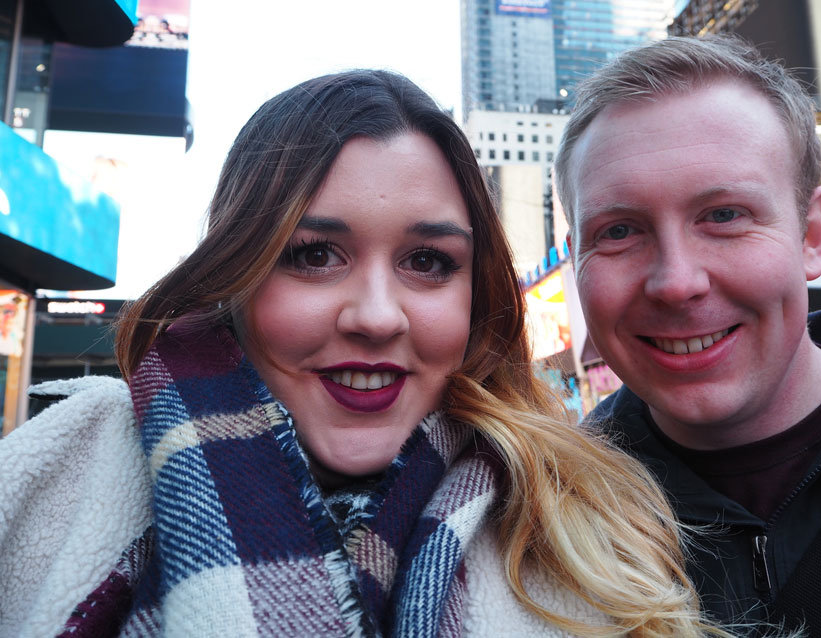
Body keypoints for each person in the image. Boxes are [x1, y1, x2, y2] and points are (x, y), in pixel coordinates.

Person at [1, 70, 729, 638]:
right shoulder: (68, 460)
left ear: (477, 298)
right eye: (315, 255)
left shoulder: (600, 518)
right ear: (237, 275)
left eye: (427, 261)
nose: (377, 317)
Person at [555, 35, 821, 636]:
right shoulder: (538, 532)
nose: (676, 283)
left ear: (813, 235)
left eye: (724, 215)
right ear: (574, 261)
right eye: (619, 231)